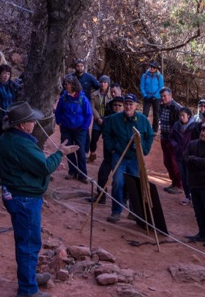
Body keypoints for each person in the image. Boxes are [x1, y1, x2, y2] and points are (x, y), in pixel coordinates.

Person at [0, 103, 79, 297]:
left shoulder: (10, 138)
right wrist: (60, 153)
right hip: (24, 198)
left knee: (29, 240)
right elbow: (44, 167)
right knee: (29, 242)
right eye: (30, 121)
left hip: (19, 195)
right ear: (21, 125)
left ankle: (29, 279)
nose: (34, 123)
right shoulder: (20, 143)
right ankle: (26, 289)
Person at [101, 94, 155, 222]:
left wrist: (145, 150)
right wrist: (112, 148)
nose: (128, 106)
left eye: (131, 104)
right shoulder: (114, 119)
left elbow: (150, 136)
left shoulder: (142, 119)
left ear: (136, 106)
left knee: (135, 184)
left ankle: (134, 211)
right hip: (120, 156)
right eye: (126, 104)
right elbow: (106, 134)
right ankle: (116, 211)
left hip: (136, 158)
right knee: (117, 182)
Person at [54, 75, 93, 181]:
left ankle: (82, 174)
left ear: (73, 85)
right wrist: (59, 122)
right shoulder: (64, 97)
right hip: (66, 128)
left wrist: (84, 127)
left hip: (79, 129)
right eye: (65, 83)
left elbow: (88, 114)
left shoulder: (82, 99)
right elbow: (58, 110)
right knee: (68, 150)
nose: (65, 85)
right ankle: (72, 171)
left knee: (80, 151)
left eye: (67, 84)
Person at [169, 107, 195, 206]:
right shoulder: (176, 125)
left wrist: (192, 148)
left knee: (190, 177)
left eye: (183, 115)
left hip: (190, 156)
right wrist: (175, 145)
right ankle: (187, 196)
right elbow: (171, 137)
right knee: (183, 177)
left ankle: (193, 197)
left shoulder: (194, 126)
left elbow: (197, 139)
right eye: (180, 115)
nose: (181, 117)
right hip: (179, 155)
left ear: (188, 116)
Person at [88, 76, 111, 163]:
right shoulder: (94, 94)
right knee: (94, 139)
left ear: (108, 84)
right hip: (98, 120)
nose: (103, 84)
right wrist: (97, 118)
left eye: (105, 82)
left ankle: (107, 159)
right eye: (101, 82)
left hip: (108, 121)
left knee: (107, 140)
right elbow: (92, 107)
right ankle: (92, 154)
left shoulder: (112, 95)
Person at [139, 61, 164, 131]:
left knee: (156, 114)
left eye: (154, 67)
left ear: (156, 68)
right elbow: (141, 86)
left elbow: (161, 87)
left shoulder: (159, 76)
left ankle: (154, 130)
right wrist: (145, 95)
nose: (152, 68)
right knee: (145, 113)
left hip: (156, 97)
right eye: (151, 67)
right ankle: (143, 129)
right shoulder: (145, 76)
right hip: (147, 97)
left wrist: (155, 95)